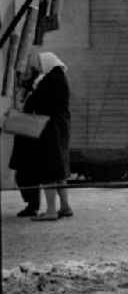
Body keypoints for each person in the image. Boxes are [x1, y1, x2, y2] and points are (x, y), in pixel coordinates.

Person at [22, 51, 72, 220]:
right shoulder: (61, 78)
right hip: (61, 128)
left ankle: (51, 211)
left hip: (49, 130)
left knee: (48, 171)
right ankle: (65, 207)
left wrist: (32, 90)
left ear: (47, 64)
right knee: (59, 171)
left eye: (41, 64)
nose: (39, 67)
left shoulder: (49, 80)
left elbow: (32, 103)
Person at [8, 68, 42, 217]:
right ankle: (32, 204)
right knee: (25, 175)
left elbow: (30, 116)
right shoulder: (27, 95)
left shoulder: (32, 96)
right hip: (25, 137)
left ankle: (32, 205)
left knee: (25, 175)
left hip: (28, 138)